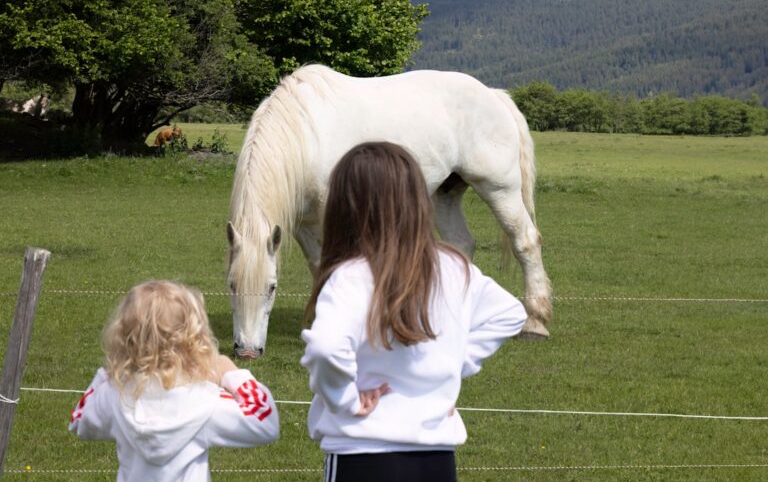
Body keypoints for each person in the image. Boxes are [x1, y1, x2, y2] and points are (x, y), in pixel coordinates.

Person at [301, 141, 528, 482]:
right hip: (436, 459)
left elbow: (325, 347)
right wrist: (456, 361)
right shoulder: (453, 267)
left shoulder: (351, 277)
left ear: (345, 207)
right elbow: (509, 313)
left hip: (362, 455)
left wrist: (346, 401)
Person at [69, 280, 279, 481]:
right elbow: (264, 420)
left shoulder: (115, 395)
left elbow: (80, 420)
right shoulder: (205, 401)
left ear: (124, 337)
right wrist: (231, 372)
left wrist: (111, 373)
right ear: (194, 340)